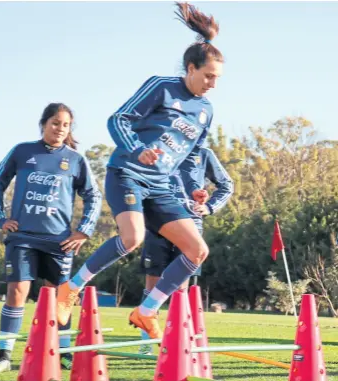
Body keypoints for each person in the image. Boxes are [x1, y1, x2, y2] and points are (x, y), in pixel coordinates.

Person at [57, 2, 224, 340]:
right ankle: (69, 289)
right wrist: (138, 149)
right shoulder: (161, 86)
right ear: (190, 68)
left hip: (163, 187)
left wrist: (194, 188)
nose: (212, 84)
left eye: (217, 79)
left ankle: (146, 311)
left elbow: (191, 157)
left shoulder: (206, 110)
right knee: (133, 238)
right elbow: (117, 119)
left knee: (198, 251)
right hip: (128, 174)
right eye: (208, 76)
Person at [0, 103, 102, 373]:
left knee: (62, 299)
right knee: (17, 292)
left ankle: (63, 352)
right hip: (22, 236)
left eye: (66, 125)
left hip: (59, 241)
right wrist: (0, 219)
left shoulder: (75, 159)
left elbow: (93, 195)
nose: (60, 129)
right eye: (55, 123)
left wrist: (84, 229)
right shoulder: (22, 151)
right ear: (43, 124)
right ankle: (4, 355)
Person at [138, 146, 234, 354]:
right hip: (158, 225)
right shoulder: (160, 146)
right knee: (152, 283)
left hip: (190, 226)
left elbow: (226, 185)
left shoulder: (204, 153)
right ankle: (145, 343)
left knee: (180, 289)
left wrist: (209, 207)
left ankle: (176, 344)